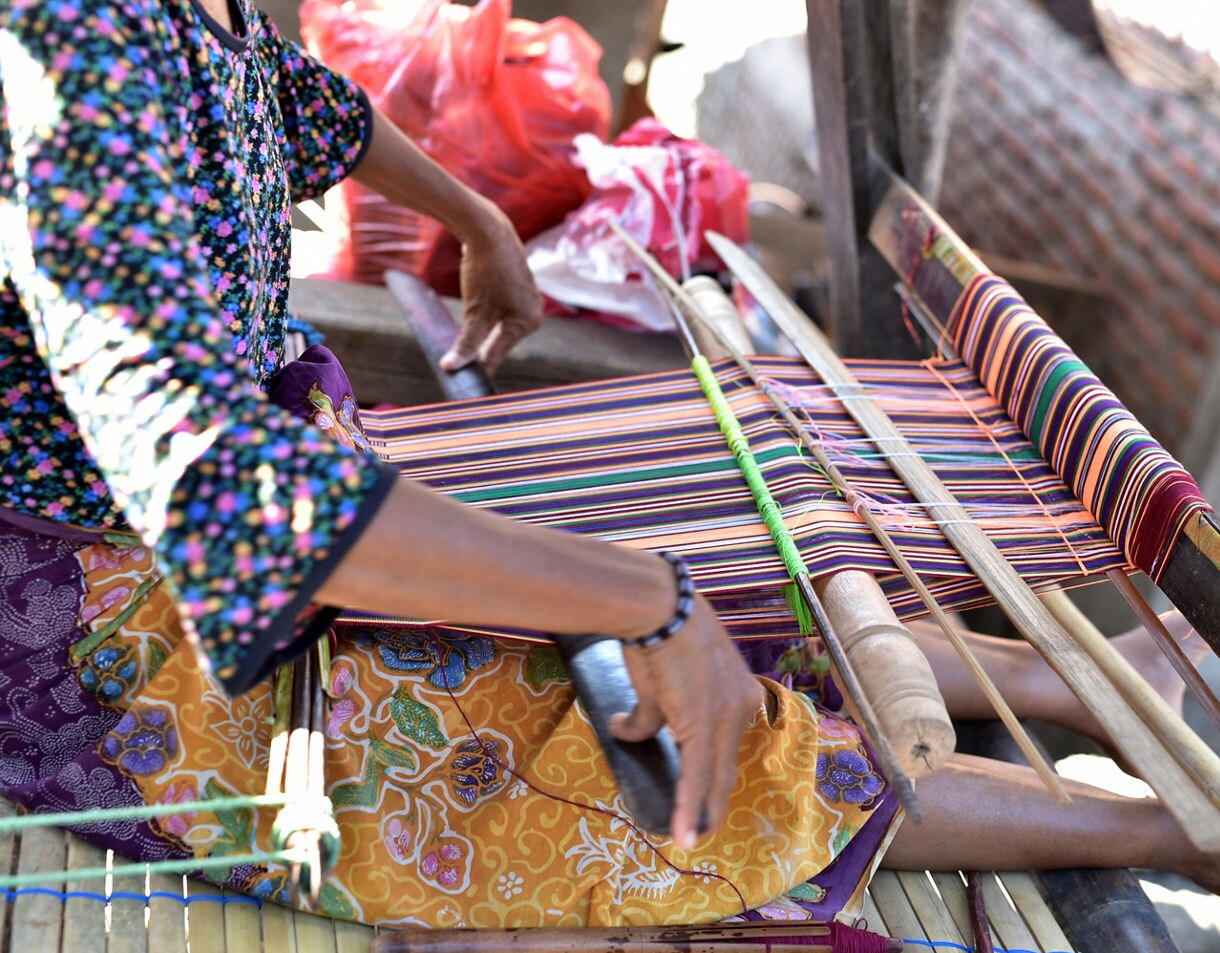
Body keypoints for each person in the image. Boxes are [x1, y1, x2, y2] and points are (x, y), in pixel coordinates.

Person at [0, 0, 1214, 932]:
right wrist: (641, 596)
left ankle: (1102, 670)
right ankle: (1163, 826)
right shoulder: (71, 39)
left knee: (690, 585)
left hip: (269, 475)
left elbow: (294, 101)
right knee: (636, 749)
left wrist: (475, 220)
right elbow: (221, 493)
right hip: (111, 630)